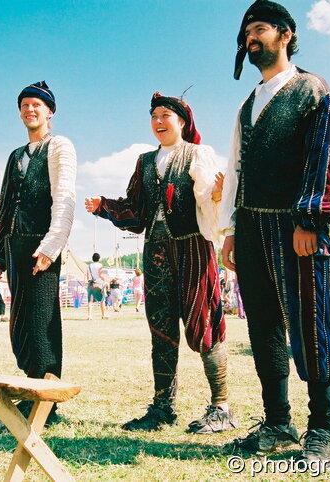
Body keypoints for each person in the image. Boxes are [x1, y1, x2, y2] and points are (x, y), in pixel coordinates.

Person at [220, 0, 330, 461]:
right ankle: (277, 423)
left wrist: (310, 220)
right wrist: (231, 230)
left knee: (310, 323)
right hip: (252, 224)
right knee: (263, 325)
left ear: (285, 35)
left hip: (297, 224)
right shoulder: (246, 104)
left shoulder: (312, 90)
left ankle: (324, 430)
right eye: (245, 34)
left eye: (258, 29)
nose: (250, 38)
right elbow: (237, 168)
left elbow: (325, 157)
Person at [85, 92, 235, 434]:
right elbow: (136, 211)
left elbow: (212, 201)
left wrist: (217, 196)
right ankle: (163, 408)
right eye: (154, 116)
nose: (158, 121)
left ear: (181, 121)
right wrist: (104, 206)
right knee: (161, 332)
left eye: (165, 115)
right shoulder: (145, 161)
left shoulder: (198, 154)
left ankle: (221, 407)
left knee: (205, 324)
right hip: (154, 254)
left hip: (193, 249)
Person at [0, 81, 76, 423]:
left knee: (42, 323)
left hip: (42, 243)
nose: (30, 110)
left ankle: (47, 401)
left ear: (49, 112)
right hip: (14, 245)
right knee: (21, 324)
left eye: (37, 105)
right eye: (24, 105)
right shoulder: (15, 156)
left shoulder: (59, 146)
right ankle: (32, 389)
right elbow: (5, 206)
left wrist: (51, 246)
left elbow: (64, 199)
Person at [86, 253, 107, 320]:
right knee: (102, 300)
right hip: (99, 283)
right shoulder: (100, 265)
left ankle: (89, 316)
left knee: (90, 301)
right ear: (99, 258)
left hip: (91, 283)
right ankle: (103, 315)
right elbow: (101, 274)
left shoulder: (89, 266)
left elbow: (87, 275)